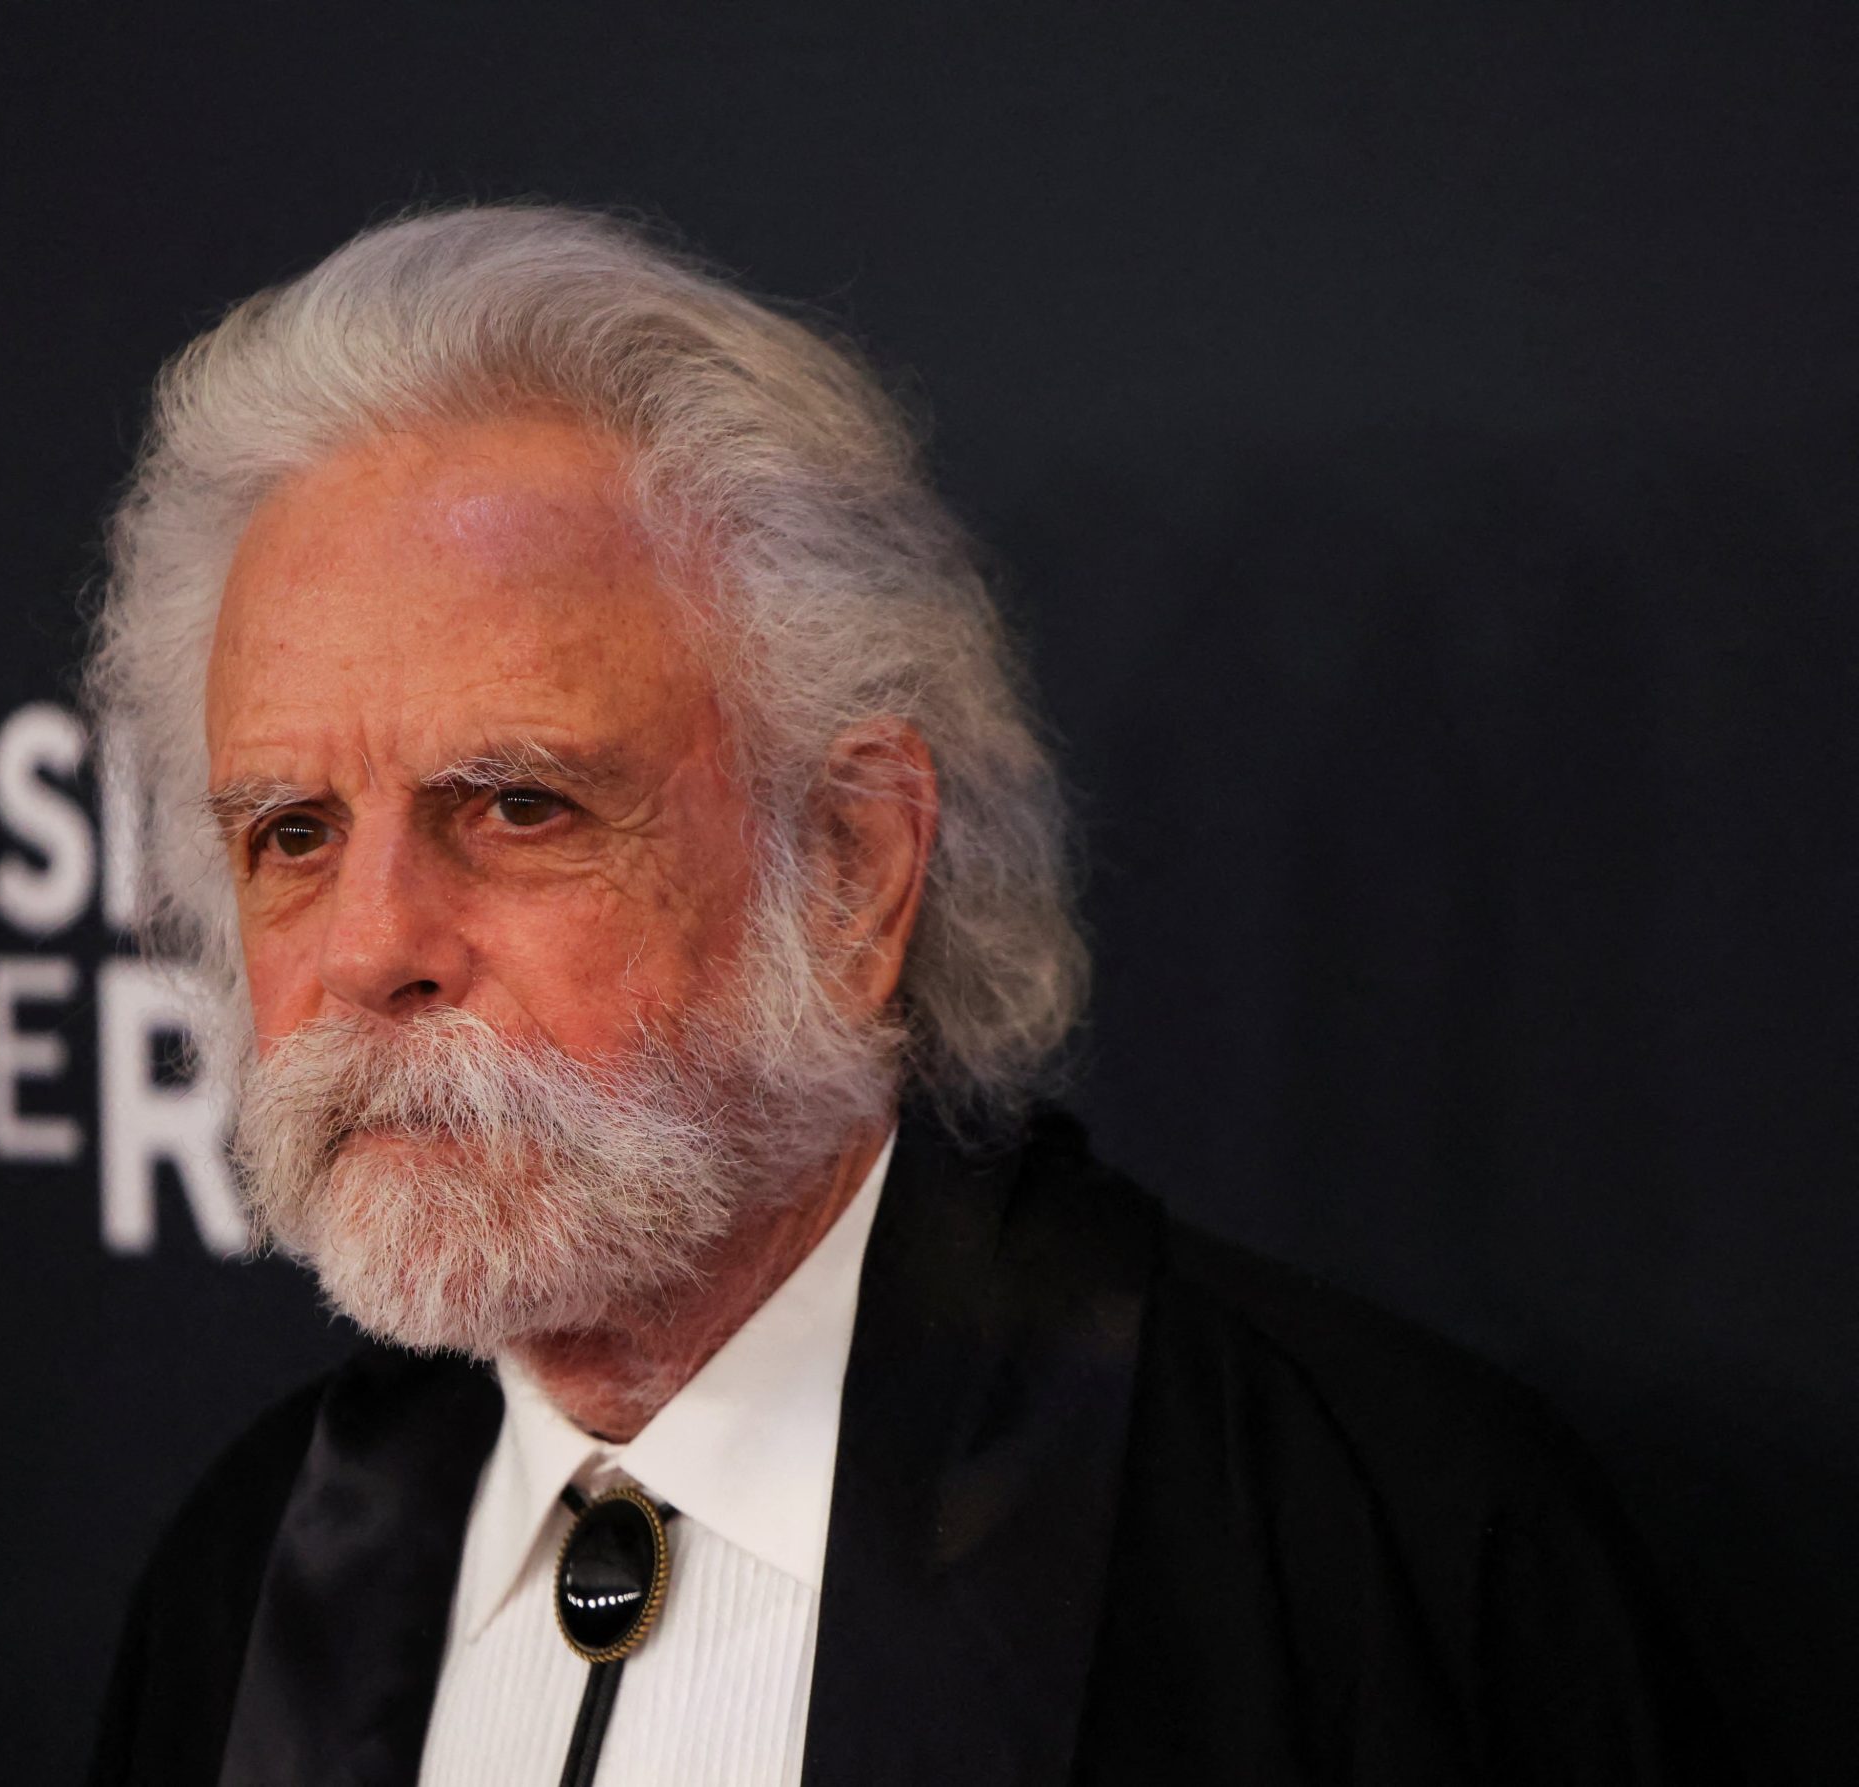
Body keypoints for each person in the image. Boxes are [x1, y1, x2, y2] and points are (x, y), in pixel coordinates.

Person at [83, 204, 1726, 1786]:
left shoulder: (1367, 1564)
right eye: (290, 833)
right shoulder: (253, 1580)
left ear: (855, 863)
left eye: (518, 806)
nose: (373, 948)